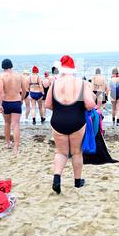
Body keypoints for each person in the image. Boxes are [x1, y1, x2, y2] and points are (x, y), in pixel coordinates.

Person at [45, 55, 96, 194]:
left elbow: (47, 104)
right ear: (73, 69)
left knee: (61, 152)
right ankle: (78, 182)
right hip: (76, 121)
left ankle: (57, 178)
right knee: (76, 152)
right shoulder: (81, 82)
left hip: (58, 121)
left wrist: (61, 109)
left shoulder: (55, 83)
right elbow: (90, 104)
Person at [0, 59, 27, 155]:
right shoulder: (19, 76)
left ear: (3, 66)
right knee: (16, 125)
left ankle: (8, 143)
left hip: (6, 102)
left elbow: (0, 91)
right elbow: (25, 90)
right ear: (11, 65)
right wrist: (21, 99)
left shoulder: (1, 76)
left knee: (7, 123)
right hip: (16, 101)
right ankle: (16, 146)